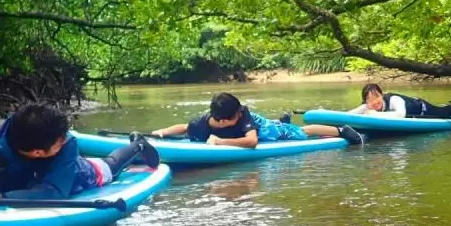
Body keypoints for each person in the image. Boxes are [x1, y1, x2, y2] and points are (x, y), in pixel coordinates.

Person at [0, 103, 160, 206]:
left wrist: (1, 197)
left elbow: (54, 193)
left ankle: (137, 146)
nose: (67, 138)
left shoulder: (68, 144)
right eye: (59, 140)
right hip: (30, 184)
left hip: (84, 175)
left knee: (110, 165)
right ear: (37, 152)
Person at [152, 93, 364, 146]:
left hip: (259, 128)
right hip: (256, 128)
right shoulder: (201, 123)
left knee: (298, 133)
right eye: (235, 115)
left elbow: (252, 141)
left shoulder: (242, 112)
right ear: (223, 121)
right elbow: (184, 128)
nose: (239, 113)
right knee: (280, 127)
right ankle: (281, 121)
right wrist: (161, 132)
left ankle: (341, 130)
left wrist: (220, 141)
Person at [351, 83, 451, 118]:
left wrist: (376, 114)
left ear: (382, 95)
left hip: (422, 109)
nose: (374, 102)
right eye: (369, 100)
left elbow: (401, 114)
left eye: (376, 97)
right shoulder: (367, 106)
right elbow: (348, 115)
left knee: (444, 112)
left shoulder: (394, 99)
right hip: (411, 111)